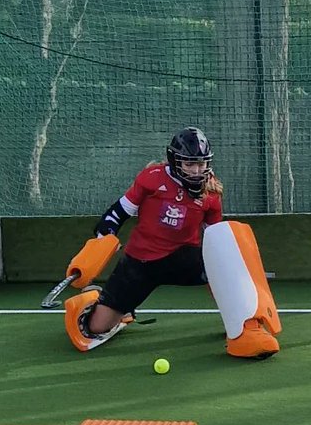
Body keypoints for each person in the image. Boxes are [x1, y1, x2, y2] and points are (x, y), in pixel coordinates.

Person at [66, 127, 225, 348]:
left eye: (201, 164)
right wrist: (104, 240)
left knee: (219, 265)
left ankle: (241, 322)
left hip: (182, 258)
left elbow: (217, 237)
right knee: (95, 328)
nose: (197, 171)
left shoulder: (211, 191)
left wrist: (227, 268)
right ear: (175, 161)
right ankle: (100, 298)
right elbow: (116, 215)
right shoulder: (151, 178)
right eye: (190, 164)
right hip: (140, 263)